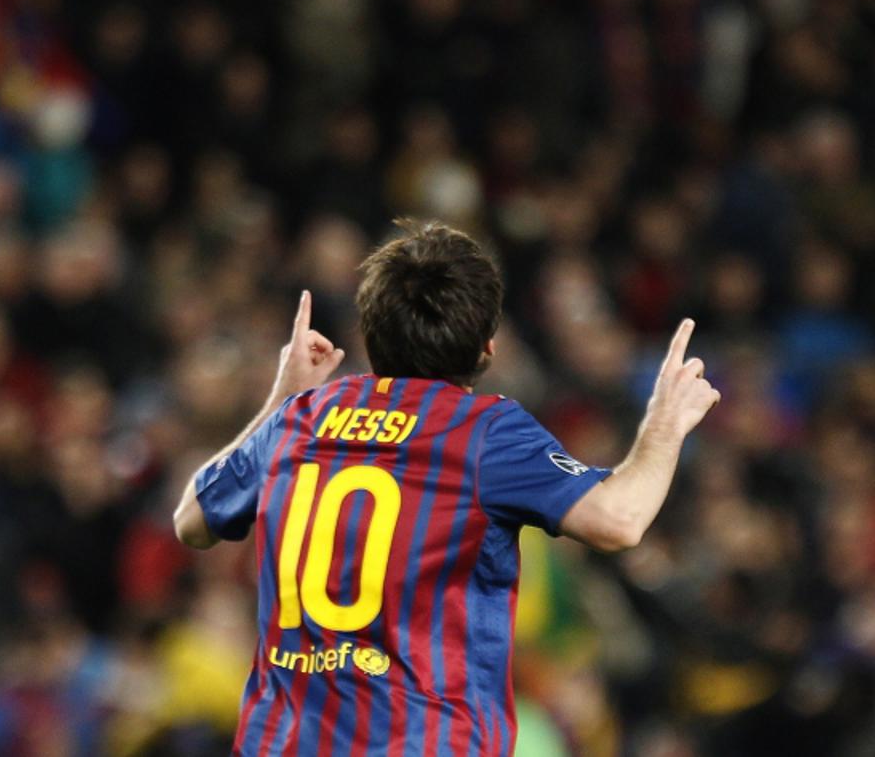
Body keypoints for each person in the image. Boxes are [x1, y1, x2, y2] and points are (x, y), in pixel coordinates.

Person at [173, 219, 720, 755]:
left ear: (369, 336)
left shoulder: (300, 419)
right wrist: (666, 421)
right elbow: (619, 520)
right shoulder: (483, 432)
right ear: (487, 347)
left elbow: (192, 521)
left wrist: (283, 398)